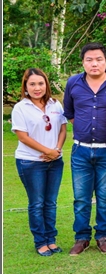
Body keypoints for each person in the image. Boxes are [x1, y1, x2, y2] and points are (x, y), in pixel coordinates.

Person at [64, 42, 106, 256]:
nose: (94, 64)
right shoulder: (73, 82)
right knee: (81, 198)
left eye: (99, 59)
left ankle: (103, 236)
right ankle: (81, 238)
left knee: (105, 196)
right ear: (83, 62)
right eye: (89, 60)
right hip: (80, 151)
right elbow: (70, 113)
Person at [12, 68, 67, 256]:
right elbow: (23, 137)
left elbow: (63, 129)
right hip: (30, 162)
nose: (37, 88)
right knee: (37, 203)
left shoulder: (55, 104)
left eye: (41, 83)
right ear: (26, 86)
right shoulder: (20, 108)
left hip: (55, 161)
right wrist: (47, 151)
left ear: (46, 85)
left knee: (50, 203)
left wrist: (56, 150)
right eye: (32, 84)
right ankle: (40, 242)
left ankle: (51, 239)